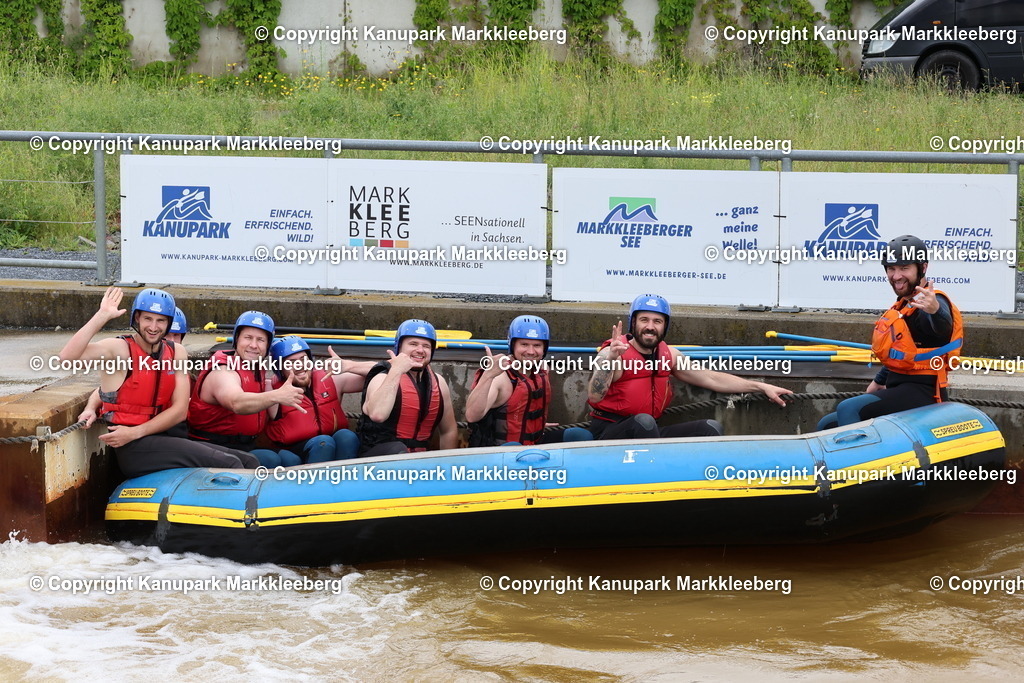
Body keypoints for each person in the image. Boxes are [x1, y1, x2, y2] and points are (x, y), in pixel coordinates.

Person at [61, 287, 258, 477]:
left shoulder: (177, 352)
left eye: (161, 321)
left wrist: (136, 432)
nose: (154, 327)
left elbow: (180, 410)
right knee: (232, 464)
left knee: (250, 462)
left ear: (168, 323)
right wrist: (102, 316)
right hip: (133, 448)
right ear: (136, 318)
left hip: (161, 437)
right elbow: (66, 359)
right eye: (148, 319)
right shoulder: (118, 349)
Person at [588, 294, 792, 440]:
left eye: (657, 321)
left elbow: (710, 378)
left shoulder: (670, 355)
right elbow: (595, 396)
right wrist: (611, 359)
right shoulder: (612, 353)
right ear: (633, 323)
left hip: (651, 432)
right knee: (644, 422)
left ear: (664, 326)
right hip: (611, 435)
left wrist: (760, 386)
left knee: (709, 428)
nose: (650, 326)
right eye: (644, 320)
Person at [817, 234, 963, 430]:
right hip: (898, 387)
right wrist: (879, 381)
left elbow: (942, 330)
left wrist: (935, 311)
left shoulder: (933, 302)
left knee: (849, 408)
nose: (896, 276)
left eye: (904, 268)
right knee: (827, 424)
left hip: (924, 392)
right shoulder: (905, 304)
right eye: (891, 269)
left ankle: (860, 461)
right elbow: (904, 351)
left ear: (923, 267)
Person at [187, 310, 305, 466]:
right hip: (212, 447)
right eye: (248, 338)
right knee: (271, 460)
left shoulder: (256, 365)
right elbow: (237, 402)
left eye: (261, 340)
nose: (253, 345)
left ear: (268, 345)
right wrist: (276, 396)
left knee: (292, 459)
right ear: (236, 339)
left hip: (244, 446)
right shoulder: (222, 371)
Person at [466, 315, 592, 446]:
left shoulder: (542, 369)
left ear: (544, 348)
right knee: (513, 447)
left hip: (535, 440)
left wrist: (532, 423)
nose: (531, 351)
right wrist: (488, 375)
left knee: (580, 435)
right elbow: (472, 416)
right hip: (503, 450)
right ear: (512, 345)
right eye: (524, 344)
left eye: (537, 345)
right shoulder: (500, 376)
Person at [253, 335, 373, 463]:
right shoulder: (270, 389)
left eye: (303, 359)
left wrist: (348, 366)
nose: (300, 365)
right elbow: (239, 399)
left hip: (330, 445)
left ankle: (344, 480)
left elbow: (380, 372)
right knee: (324, 443)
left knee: (347, 436)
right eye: (291, 362)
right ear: (279, 369)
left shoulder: (330, 379)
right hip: (295, 451)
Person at [358, 319, 458, 456]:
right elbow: (377, 415)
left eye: (426, 346)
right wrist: (396, 370)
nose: (420, 350)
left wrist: (449, 466)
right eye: (413, 344)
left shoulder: (439, 383)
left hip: (418, 460)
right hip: (377, 459)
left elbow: (449, 431)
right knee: (398, 449)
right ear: (399, 347)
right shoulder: (381, 378)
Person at [79, 305, 190, 422]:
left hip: (172, 427)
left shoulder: (179, 360)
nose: (171, 340)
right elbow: (106, 391)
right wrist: (90, 408)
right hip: (145, 429)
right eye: (168, 335)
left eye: (176, 335)